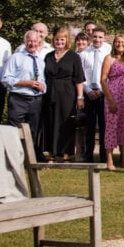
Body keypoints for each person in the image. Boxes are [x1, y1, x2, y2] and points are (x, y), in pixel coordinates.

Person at [42, 27, 85, 162]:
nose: (59, 42)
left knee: (66, 123)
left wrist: (80, 97)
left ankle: (66, 153)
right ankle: (52, 154)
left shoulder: (73, 56)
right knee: (50, 122)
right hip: (49, 93)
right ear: (53, 40)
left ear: (66, 41)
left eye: (62, 39)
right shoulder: (48, 56)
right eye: (57, 39)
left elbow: (79, 78)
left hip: (67, 94)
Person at [2, 30, 47, 156]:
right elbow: (6, 79)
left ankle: (30, 160)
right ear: (25, 41)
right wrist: (26, 83)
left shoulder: (40, 60)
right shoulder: (16, 57)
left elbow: (43, 79)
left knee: (33, 131)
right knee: (15, 131)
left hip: (36, 99)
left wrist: (43, 86)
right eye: (29, 41)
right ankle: (14, 158)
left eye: (34, 41)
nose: (32, 43)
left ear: (39, 43)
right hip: (18, 99)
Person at [100, 33, 124, 170]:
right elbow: (103, 80)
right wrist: (110, 99)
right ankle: (110, 161)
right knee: (111, 127)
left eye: (123, 42)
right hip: (114, 97)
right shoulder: (109, 58)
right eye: (117, 42)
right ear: (113, 44)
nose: (120, 44)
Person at [79, 27, 108, 162]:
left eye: (100, 37)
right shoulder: (84, 53)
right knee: (89, 127)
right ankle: (88, 155)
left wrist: (102, 90)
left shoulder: (108, 52)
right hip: (89, 94)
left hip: (104, 93)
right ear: (91, 37)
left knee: (104, 126)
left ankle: (103, 156)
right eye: (95, 37)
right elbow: (80, 75)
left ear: (105, 38)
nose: (97, 39)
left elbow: (110, 74)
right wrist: (88, 90)